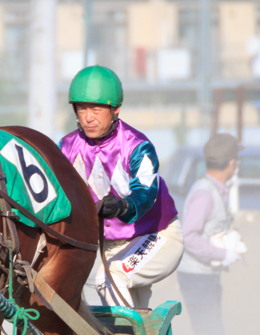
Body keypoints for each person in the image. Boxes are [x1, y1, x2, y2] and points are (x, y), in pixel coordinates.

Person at [60, 65, 183, 308]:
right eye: (82, 108)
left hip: (156, 236)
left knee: (108, 279)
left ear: (115, 109)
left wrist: (122, 206)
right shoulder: (65, 148)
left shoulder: (138, 146)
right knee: (139, 321)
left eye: (96, 109)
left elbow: (146, 194)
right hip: (111, 248)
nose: (88, 117)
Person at [177, 133, 247, 335]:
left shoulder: (212, 189)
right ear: (232, 163)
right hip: (197, 278)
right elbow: (188, 236)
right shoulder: (205, 193)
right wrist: (223, 252)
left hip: (204, 276)